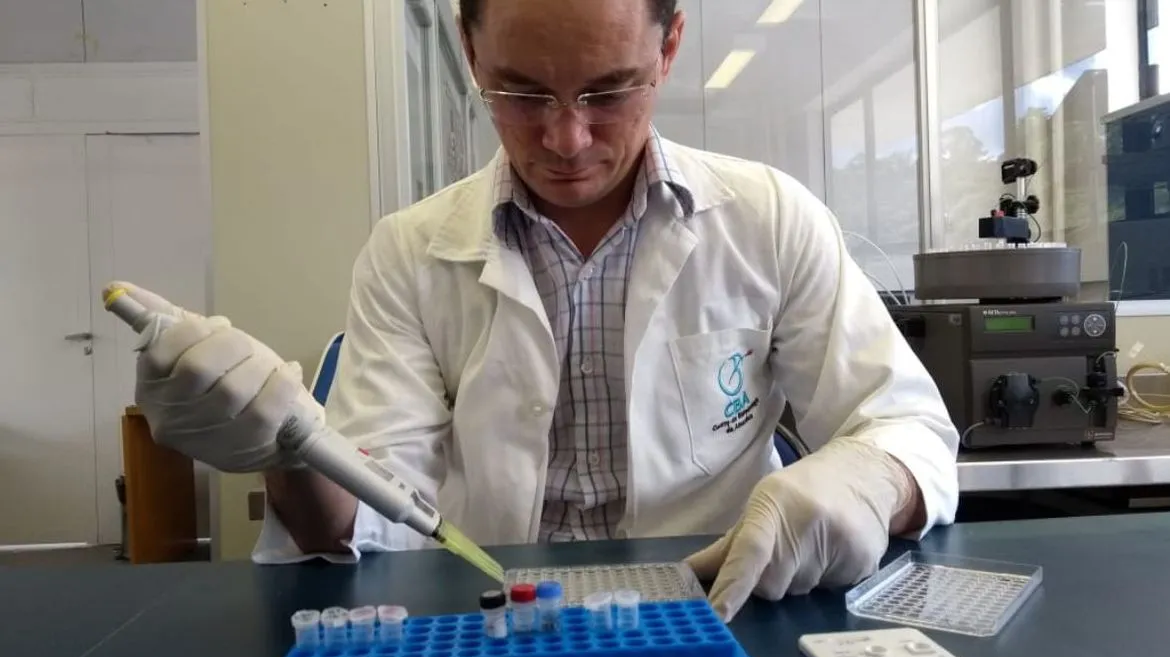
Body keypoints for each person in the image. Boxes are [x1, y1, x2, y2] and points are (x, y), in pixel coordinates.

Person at [115, 0, 959, 622]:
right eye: (521, 94)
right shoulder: (409, 252)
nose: (566, 139)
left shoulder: (770, 220)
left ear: (669, 47)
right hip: (487, 619)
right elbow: (373, 513)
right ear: (469, 49)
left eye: (608, 92)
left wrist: (867, 481)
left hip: (718, 612)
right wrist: (286, 449)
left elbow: (908, 427)